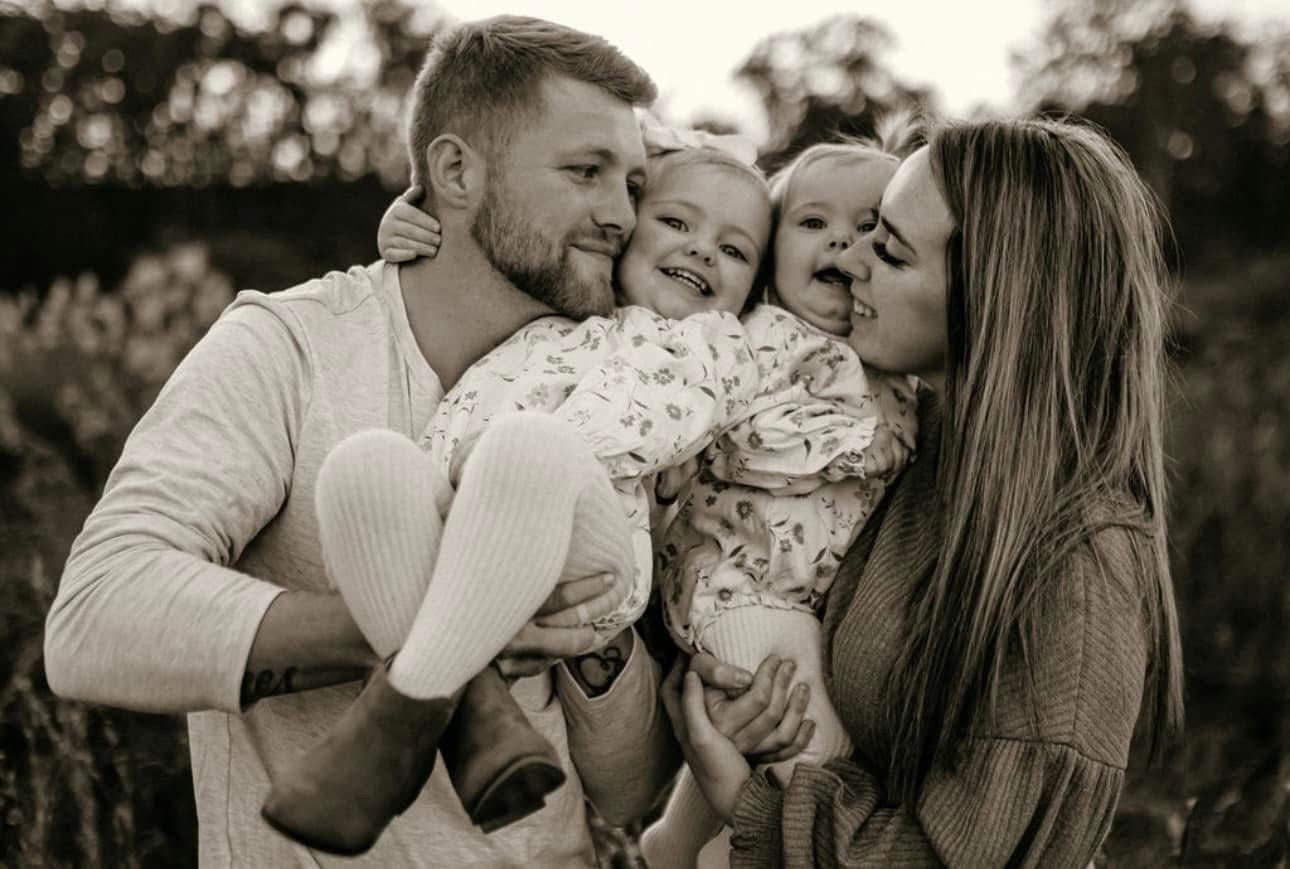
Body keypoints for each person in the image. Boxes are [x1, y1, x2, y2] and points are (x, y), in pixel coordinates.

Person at [44, 16, 689, 868]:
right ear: (456, 170)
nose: (620, 215)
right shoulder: (290, 347)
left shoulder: (633, 390)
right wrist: (439, 624)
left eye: (635, 184)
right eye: (585, 173)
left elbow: (629, 794)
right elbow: (96, 617)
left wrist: (595, 647)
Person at [667, 117, 1185, 867]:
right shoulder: (905, 437)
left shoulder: (1076, 569)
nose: (852, 263)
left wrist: (747, 799)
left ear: (989, 299)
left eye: (889, 248)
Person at [263, 135, 777, 854]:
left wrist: (489, 469)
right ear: (625, 223)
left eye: (735, 249)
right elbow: (529, 193)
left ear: (755, 287)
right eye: (677, 222)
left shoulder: (720, 346)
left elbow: (643, 428)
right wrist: (411, 217)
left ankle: (394, 718)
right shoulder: (560, 301)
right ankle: (479, 718)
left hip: (591, 548)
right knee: (364, 466)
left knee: (529, 445)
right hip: (476, 517)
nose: (700, 251)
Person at [642, 123, 924, 869]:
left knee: (759, 732)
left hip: (808, 605)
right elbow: (725, 424)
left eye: (869, 227)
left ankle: (674, 849)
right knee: (809, 745)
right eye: (813, 222)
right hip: (736, 584)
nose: (841, 242)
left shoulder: (894, 372)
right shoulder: (760, 336)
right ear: (771, 251)